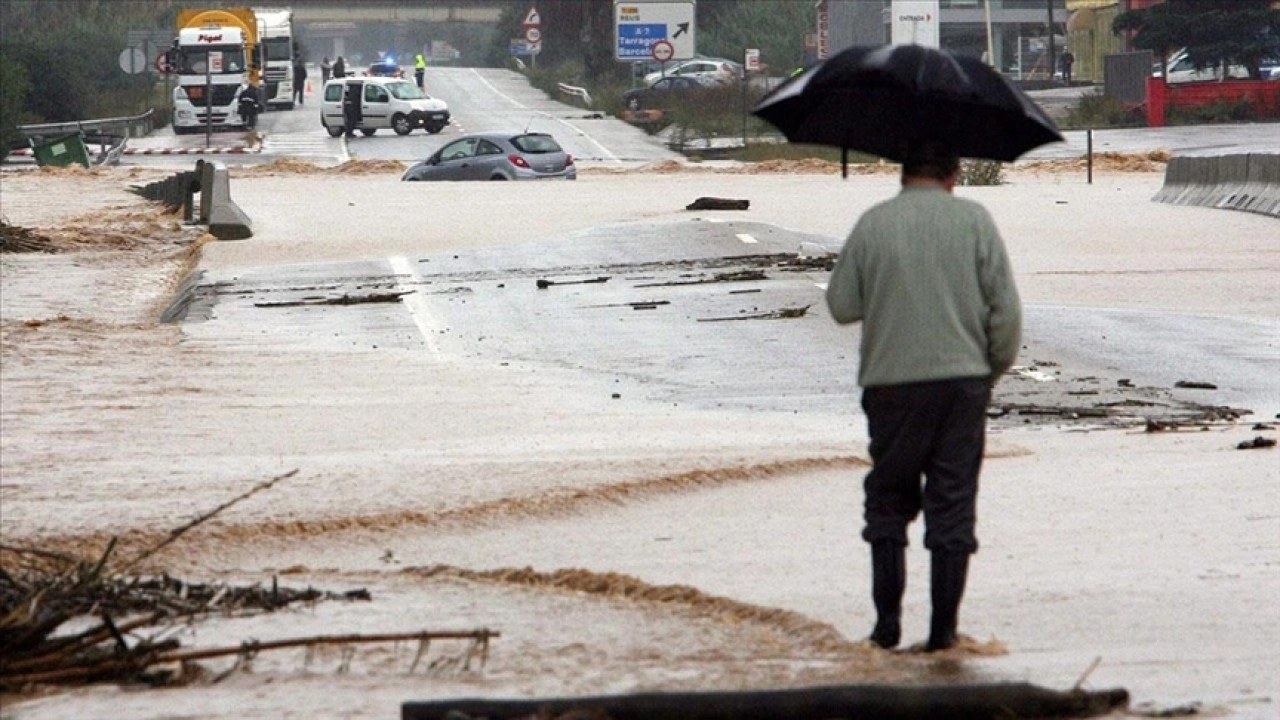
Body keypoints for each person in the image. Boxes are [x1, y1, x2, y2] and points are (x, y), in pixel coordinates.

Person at [825, 143, 1022, 653]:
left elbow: (842, 306)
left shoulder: (874, 223)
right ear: (955, 174)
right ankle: (942, 636)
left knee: (888, 501)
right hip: (962, 387)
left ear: (903, 173)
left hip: (890, 386)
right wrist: (986, 373)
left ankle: (886, 630)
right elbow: (1006, 317)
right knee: (951, 503)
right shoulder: (975, 221)